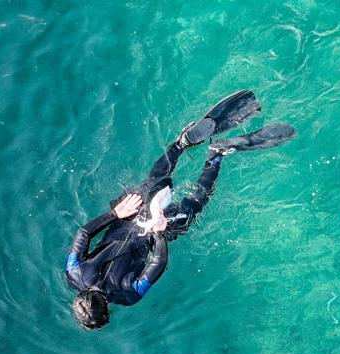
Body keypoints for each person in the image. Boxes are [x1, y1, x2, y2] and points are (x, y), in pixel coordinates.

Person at [65, 90, 296, 330]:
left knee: (195, 203)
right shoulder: (73, 274)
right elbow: (83, 234)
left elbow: (159, 262)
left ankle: (216, 155)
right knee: (154, 180)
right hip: (128, 216)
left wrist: (157, 233)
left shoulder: (128, 295)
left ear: (107, 311)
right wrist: (116, 214)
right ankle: (181, 144)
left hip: (148, 231)